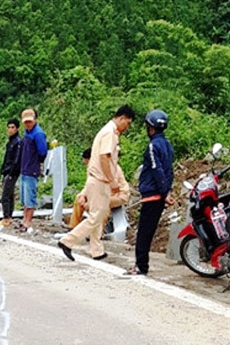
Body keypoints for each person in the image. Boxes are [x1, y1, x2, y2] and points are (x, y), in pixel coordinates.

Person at [58, 105, 135, 261]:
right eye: (128, 123)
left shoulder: (106, 131)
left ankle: (97, 250)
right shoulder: (110, 133)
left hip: (96, 180)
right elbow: (104, 158)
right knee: (96, 217)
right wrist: (112, 181)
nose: (127, 127)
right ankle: (67, 241)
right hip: (101, 180)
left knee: (97, 216)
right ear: (122, 118)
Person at [126, 110, 175, 276]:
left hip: (152, 195)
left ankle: (141, 266)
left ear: (150, 127)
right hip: (159, 195)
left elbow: (157, 169)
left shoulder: (153, 146)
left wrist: (164, 192)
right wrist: (167, 190)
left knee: (144, 233)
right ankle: (141, 265)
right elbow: (170, 170)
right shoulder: (167, 145)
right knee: (147, 231)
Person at [69, 148, 130, 230]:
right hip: (101, 194)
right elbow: (89, 185)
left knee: (101, 206)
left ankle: (97, 232)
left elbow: (107, 188)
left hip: (116, 195)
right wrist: (83, 195)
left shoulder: (110, 168)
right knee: (79, 198)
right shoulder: (92, 168)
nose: (84, 162)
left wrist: (91, 202)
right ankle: (73, 227)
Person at [18, 108, 47, 234]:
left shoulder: (38, 134)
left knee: (30, 198)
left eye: (30, 121)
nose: (28, 124)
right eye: (26, 122)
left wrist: (37, 164)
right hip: (24, 169)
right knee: (24, 198)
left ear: (35, 120)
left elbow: (42, 152)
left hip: (31, 169)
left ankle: (28, 221)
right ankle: (24, 219)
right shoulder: (26, 133)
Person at [0, 118, 22, 228]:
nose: (10, 129)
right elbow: (7, 158)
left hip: (12, 172)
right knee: (10, 194)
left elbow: (17, 159)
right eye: (9, 127)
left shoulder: (17, 142)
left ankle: (6, 218)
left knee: (5, 195)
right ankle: (9, 217)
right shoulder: (10, 142)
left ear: (17, 129)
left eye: (13, 127)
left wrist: (11, 172)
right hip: (7, 171)